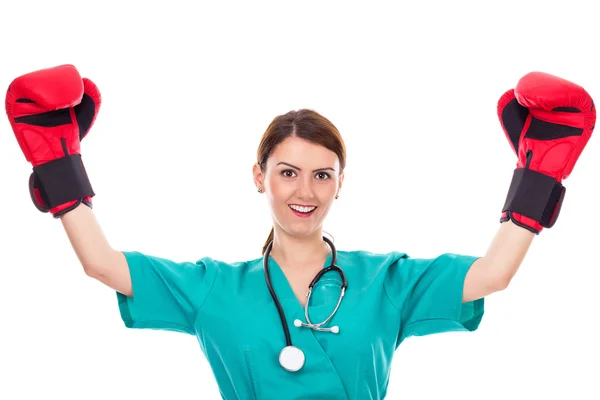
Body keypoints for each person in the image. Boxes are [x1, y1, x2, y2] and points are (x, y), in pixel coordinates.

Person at [6, 64, 595, 399]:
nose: (304, 192)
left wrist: (537, 176)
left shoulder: (385, 279)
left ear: (342, 183)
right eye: (287, 173)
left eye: (322, 175)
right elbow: (103, 263)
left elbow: (493, 274)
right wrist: (57, 167)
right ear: (259, 177)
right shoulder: (216, 288)